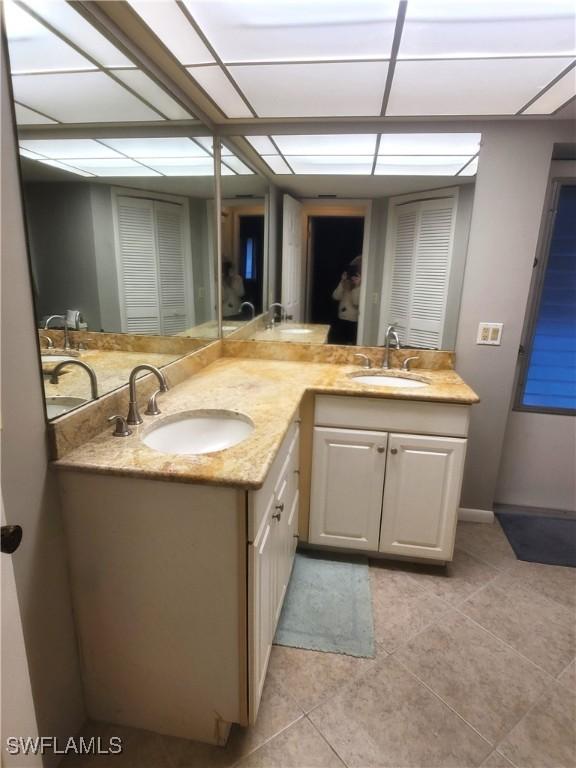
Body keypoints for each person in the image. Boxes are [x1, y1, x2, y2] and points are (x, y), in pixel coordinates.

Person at [329, 256, 361, 345]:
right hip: (341, 317)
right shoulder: (345, 282)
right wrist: (342, 282)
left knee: (351, 344)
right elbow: (335, 297)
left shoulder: (362, 284)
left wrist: (357, 286)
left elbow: (356, 302)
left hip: (353, 320)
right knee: (340, 343)